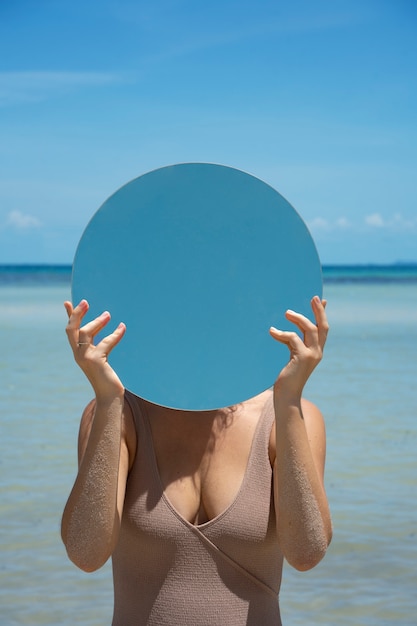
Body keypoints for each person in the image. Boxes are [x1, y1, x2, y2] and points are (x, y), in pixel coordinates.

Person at [61, 295, 332, 626]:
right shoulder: (119, 414)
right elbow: (85, 553)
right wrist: (107, 400)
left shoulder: (284, 415)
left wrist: (288, 399)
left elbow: (307, 552)